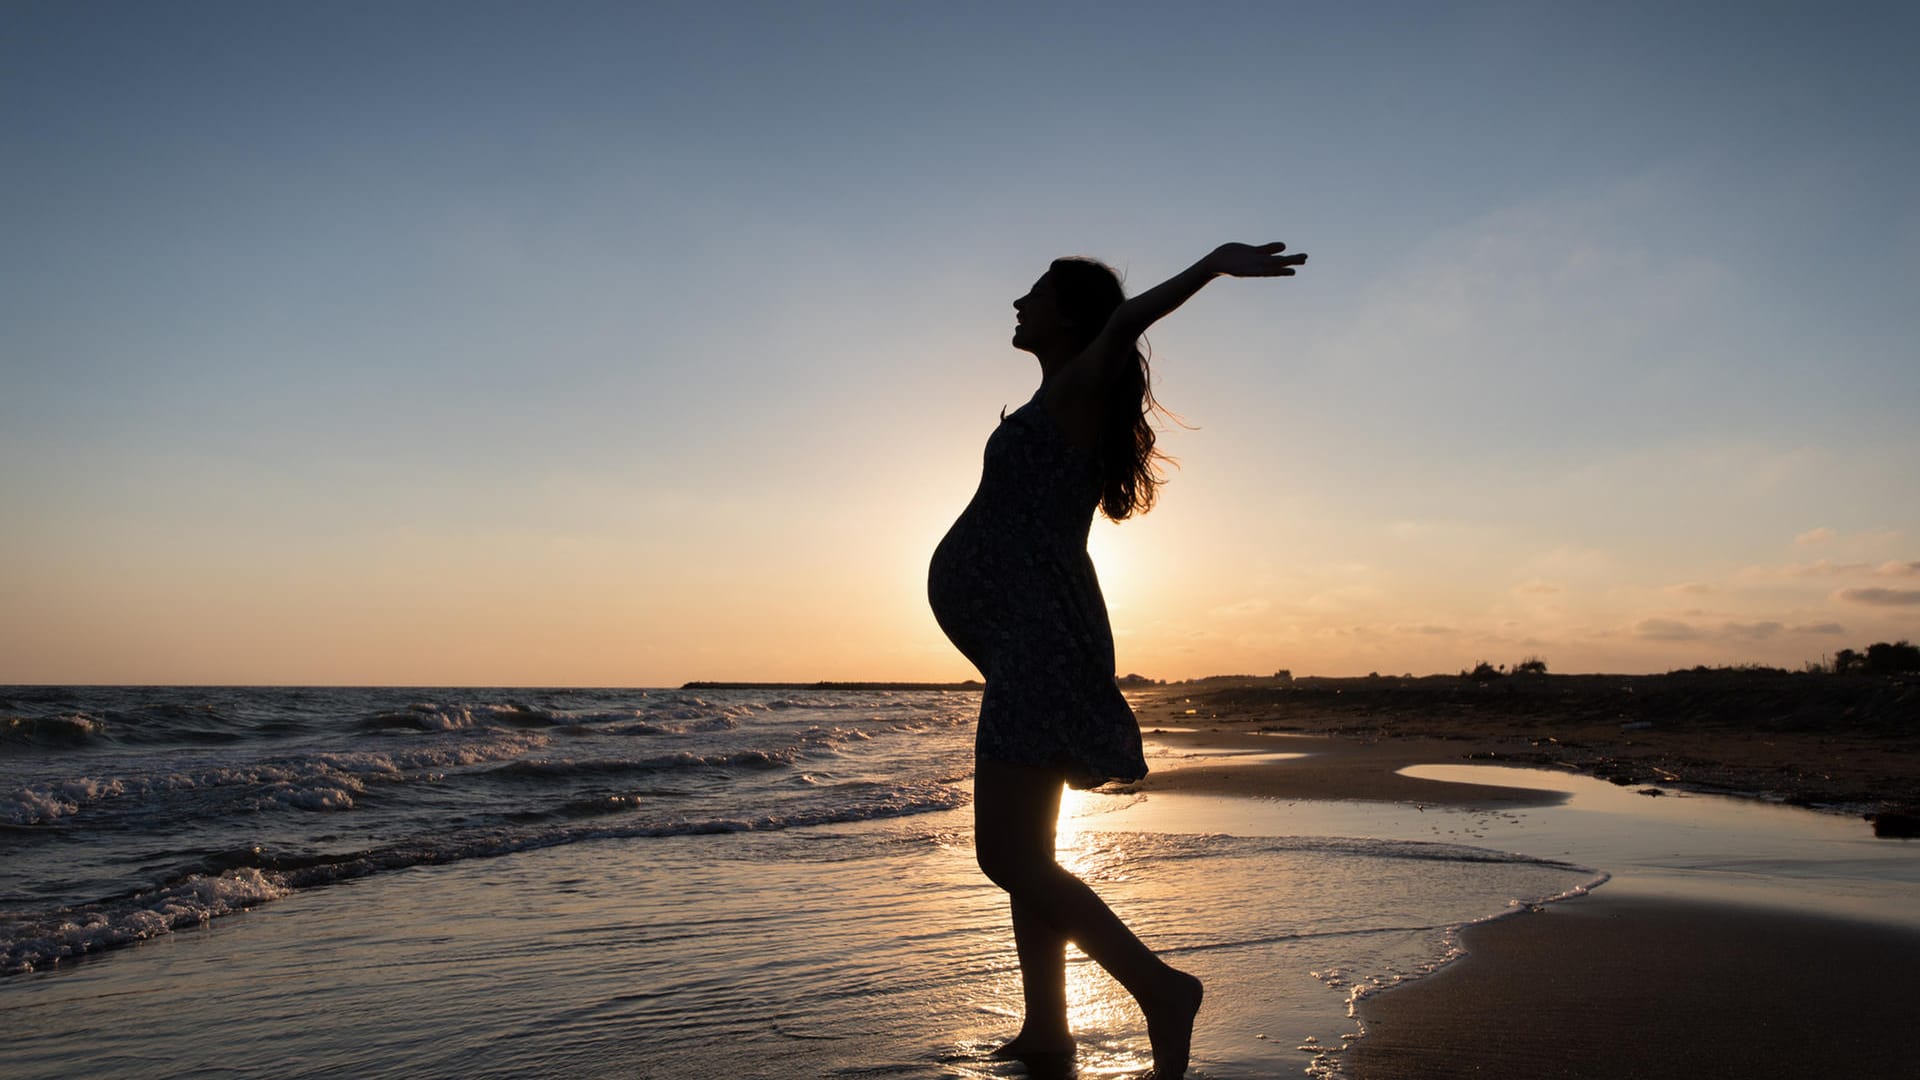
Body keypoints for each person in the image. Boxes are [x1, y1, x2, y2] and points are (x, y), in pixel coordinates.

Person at [927, 242, 1308, 1078]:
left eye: (1033, 295)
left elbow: (1127, 318)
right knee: (1032, 849)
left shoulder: (1079, 383)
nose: (1018, 304)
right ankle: (1047, 1027)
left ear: (1071, 317)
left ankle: (1161, 989)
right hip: (1030, 637)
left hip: (1041, 638)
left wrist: (1211, 265)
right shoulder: (1053, 397)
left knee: (1006, 856)